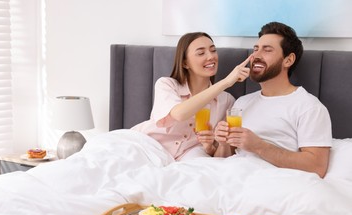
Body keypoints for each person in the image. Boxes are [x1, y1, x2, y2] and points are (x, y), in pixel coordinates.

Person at [214, 22, 332, 178]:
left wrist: (259, 146)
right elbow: (221, 162)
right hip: (233, 177)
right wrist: (223, 143)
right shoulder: (242, 102)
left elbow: (317, 167)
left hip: (273, 181)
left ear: (288, 60)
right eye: (256, 49)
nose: (256, 55)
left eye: (267, 50)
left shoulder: (309, 107)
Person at [132, 32, 251, 161]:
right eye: (201, 53)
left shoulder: (226, 101)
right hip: (148, 145)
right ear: (185, 63)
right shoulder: (167, 84)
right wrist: (226, 82)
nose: (211, 56)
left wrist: (209, 146)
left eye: (213, 50)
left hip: (188, 156)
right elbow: (179, 114)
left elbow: (219, 153)